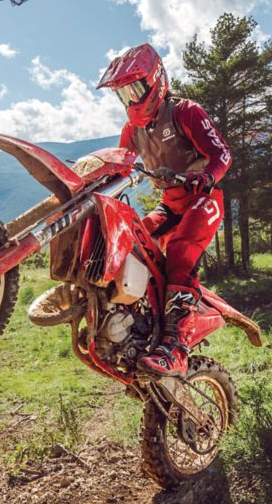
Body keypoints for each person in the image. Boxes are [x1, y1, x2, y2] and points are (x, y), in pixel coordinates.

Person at [96, 43, 231, 377]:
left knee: (181, 251)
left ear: (155, 81)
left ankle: (176, 349)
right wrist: (97, 179)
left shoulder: (186, 112)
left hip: (203, 199)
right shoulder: (133, 130)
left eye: (134, 90)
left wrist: (206, 177)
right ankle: (140, 322)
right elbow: (120, 167)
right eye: (123, 94)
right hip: (169, 202)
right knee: (131, 240)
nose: (130, 100)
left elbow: (223, 154)